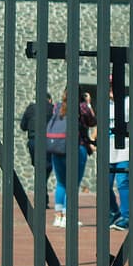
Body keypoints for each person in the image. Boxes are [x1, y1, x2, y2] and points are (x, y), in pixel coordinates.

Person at [48, 89, 98, 229]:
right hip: (77, 147)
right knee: (73, 184)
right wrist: (88, 104)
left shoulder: (57, 106)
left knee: (61, 183)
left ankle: (58, 217)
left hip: (58, 147)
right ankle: (68, 216)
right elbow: (93, 122)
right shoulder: (82, 107)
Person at [107, 80, 133, 231]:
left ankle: (127, 217)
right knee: (105, 184)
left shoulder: (128, 102)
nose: (111, 89)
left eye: (113, 86)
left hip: (125, 149)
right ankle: (114, 212)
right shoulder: (105, 104)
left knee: (123, 182)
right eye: (109, 87)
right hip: (108, 149)